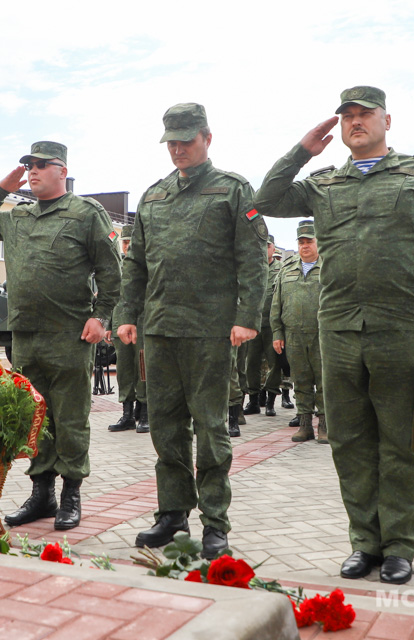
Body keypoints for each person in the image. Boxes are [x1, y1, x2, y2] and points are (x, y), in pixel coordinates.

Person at [253, 86, 414, 584]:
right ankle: (365, 543)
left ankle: (399, 546)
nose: (355, 122)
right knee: (349, 440)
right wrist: (302, 151)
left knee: (402, 439)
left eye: (365, 114)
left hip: (402, 326)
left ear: (386, 121)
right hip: (339, 328)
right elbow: (266, 199)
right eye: (347, 115)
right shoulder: (324, 182)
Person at [119, 103, 267, 559]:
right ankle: (172, 514)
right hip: (161, 329)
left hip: (210, 330)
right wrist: (127, 313)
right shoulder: (154, 196)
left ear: (207, 137)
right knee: (165, 427)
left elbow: (253, 258)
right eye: (171, 142)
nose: (177, 149)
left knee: (210, 426)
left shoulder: (232, 190)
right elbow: (136, 262)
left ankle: (215, 523)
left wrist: (247, 317)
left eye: (186, 140)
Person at [0, 141, 121, 531]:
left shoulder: (85, 213)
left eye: (41, 165)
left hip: (70, 333)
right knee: (34, 417)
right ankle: (42, 493)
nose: (33, 171)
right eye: (29, 166)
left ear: (62, 171)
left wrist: (100, 316)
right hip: (25, 333)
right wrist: (3, 187)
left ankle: (71, 493)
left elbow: (111, 270)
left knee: (70, 418)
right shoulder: (18, 216)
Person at [271, 220, 324, 443]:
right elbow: (277, 303)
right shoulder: (287, 269)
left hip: (322, 335)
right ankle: (305, 425)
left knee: (324, 381)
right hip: (293, 335)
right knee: (300, 381)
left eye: (309, 241)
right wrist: (277, 333)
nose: (305, 246)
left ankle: (325, 425)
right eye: (301, 242)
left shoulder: (329, 267)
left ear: (318, 242)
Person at [109, 224, 148, 434]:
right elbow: (111, 296)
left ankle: (145, 413)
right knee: (124, 369)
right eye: (124, 243)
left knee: (142, 368)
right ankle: (127, 415)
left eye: (130, 242)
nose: (127, 246)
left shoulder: (146, 266)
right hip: (119, 324)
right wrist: (108, 325)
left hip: (141, 323)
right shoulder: (117, 266)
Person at [243, 235, 284, 417]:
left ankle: (270, 401)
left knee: (275, 363)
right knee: (251, 363)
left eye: (267, 246)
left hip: (272, 325)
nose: (264, 248)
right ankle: (253, 400)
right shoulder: (251, 269)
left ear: (273, 248)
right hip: (253, 325)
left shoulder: (281, 269)